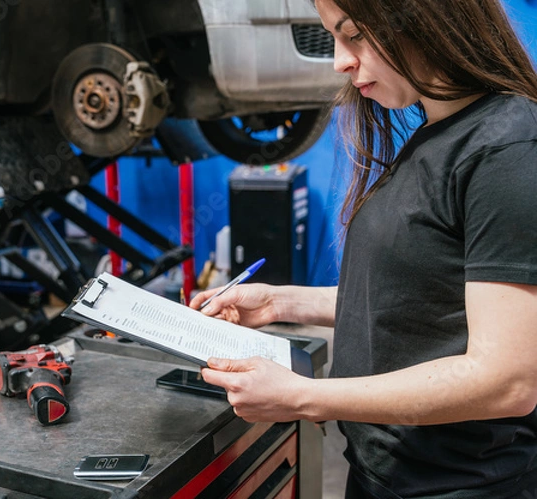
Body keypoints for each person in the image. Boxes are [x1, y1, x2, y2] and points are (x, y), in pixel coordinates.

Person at [189, 0, 537, 497]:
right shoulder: (437, 131)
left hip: (460, 486)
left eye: (353, 35)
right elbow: (418, 300)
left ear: (424, 18)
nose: (340, 61)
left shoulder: (507, 146)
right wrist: (279, 302)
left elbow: (506, 381)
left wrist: (306, 398)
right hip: (388, 473)